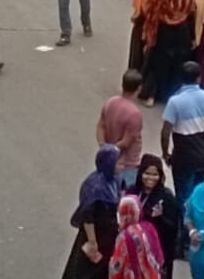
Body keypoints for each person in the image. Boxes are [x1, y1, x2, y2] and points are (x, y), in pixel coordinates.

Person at [161, 61, 204, 207]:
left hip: (183, 158)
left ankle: (185, 229)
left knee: (184, 199)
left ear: (181, 78)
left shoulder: (175, 101)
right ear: (199, 78)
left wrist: (165, 154)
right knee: (201, 197)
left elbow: (165, 133)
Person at [64, 144, 122, 278]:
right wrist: (92, 242)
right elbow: (88, 216)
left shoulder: (113, 180)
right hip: (96, 236)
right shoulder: (95, 186)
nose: (121, 165)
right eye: (118, 162)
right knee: (85, 270)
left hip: (109, 235)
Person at [133, 155, 184, 279]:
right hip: (135, 251)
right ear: (140, 173)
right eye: (147, 173)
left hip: (158, 253)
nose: (150, 178)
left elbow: (173, 228)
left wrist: (160, 218)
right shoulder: (133, 193)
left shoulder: (167, 198)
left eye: (155, 174)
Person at [96, 69, 146, 190]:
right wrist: (112, 150)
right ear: (139, 88)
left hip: (108, 160)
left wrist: (104, 147)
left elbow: (100, 126)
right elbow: (126, 142)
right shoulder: (135, 114)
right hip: (127, 163)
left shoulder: (110, 102)